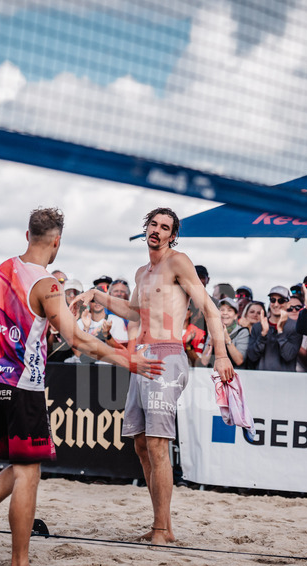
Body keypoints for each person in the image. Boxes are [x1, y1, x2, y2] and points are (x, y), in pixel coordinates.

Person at [0, 207, 163, 566]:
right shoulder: (47, 284)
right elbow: (77, 337)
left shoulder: (1, 270)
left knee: (20, 464)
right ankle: (19, 564)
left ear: (27, 234)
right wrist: (125, 360)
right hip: (22, 384)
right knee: (29, 472)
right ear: (57, 241)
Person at [75, 207, 234, 545]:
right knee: (142, 444)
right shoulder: (141, 272)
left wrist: (220, 355)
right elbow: (133, 310)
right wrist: (97, 294)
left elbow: (208, 307)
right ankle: (162, 525)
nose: (157, 231)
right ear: (145, 228)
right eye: (153, 224)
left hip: (168, 355)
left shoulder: (178, 261)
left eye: (165, 227)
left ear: (172, 235)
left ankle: (162, 529)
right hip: (143, 356)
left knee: (158, 443)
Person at [247, 285, 302, 371]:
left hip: (285, 380)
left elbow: (288, 356)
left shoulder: (295, 327)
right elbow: (252, 357)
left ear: (288, 304)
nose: (276, 304)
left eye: (281, 301)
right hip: (261, 379)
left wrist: (280, 332)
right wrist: (263, 335)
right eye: (273, 300)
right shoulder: (258, 326)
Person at [199, 298, 249, 368]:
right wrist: (211, 340)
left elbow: (239, 361)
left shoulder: (242, 331)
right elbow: (204, 360)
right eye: (222, 310)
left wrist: (227, 338)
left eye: (229, 310)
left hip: (234, 374)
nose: (225, 313)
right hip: (214, 374)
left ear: (235, 316)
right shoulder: (213, 330)